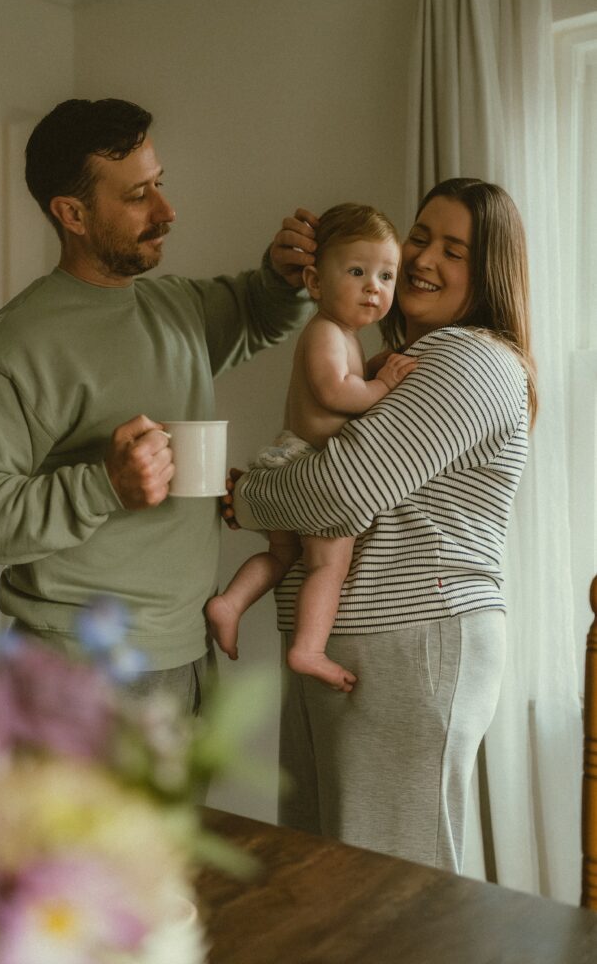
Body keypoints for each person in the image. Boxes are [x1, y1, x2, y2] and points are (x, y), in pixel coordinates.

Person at [0, 97, 314, 711]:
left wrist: (284, 273)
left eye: (159, 184)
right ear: (72, 213)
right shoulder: (8, 350)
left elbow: (256, 309)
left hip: (188, 652)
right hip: (78, 676)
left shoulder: (176, 309)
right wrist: (105, 485)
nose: (166, 210)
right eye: (138, 196)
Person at [225, 178, 537, 873]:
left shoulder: (471, 360)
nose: (424, 259)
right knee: (325, 872)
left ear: (486, 272)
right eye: (420, 236)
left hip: (413, 634)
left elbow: (338, 489)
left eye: (453, 250)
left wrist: (245, 497)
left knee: (393, 883)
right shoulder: (400, 362)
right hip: (357, 636)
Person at [205, 203, 417, 692]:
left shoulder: (345, 335)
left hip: (290, 461)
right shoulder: (324, 331)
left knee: (282, 558)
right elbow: (334, 393)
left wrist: (374, 368)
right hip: (304, 463)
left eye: (387, 275)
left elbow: (347, 382)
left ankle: (230, 602)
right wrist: (381, 385)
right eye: (358, 271)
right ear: (316, 283)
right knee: (329, 563)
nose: (374, 287)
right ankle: (308, 648)